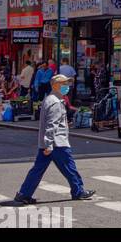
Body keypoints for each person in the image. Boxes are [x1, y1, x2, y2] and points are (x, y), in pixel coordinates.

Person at [13, 74, 95, 205]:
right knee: (70, 168)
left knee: (38, 170)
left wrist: (46, 144)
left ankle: (24, 194)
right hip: (57, 143)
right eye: (64, 84)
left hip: (49, 143)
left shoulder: (50, 99)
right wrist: (49, 144)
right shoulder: (56, 102)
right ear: (56, 85)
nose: (67, 87)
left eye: (67, 84)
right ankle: (78, 191)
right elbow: (52, 124)